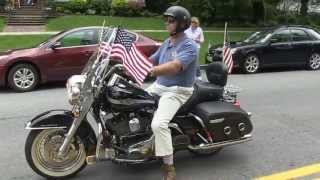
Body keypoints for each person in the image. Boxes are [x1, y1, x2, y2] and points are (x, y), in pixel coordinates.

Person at [147, 6, 198, 180]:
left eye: (171, 21)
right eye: (166, 20)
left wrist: (152, 71)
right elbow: (152, 59)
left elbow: (175, 67)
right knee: (132, 99)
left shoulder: (189, 45)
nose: (167, 24)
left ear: (182, 24)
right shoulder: (167, 43)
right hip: (160, 86)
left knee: (159, 124)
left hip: (177, 90)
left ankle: (169, 166)